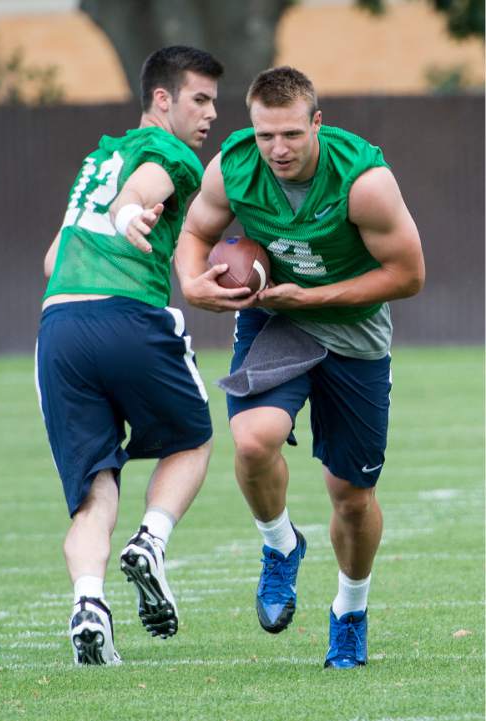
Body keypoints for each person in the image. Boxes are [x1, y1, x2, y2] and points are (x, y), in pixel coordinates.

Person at [173, 66, 425, 668]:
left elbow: (409, 277)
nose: (278, 149)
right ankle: (279, 547)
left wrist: (312, 297)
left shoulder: (364, 182)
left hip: (355, 334)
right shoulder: (233, 168)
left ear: (317, 123)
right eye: (265, 136)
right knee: (252, 442)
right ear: (251, 130)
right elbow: (194, 231)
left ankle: (350, 609)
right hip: (275, 322)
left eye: (290, 134)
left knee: (351, 496)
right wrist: (192, 282)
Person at [35, 46, 241, 666]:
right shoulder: (172, 153)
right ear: (162, 99)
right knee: (194, 440)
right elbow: (140, 189)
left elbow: (52, 260)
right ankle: (150, 542)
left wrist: (118, 216)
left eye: (213, 101)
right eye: (199, 99)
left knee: (94, 485)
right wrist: (131, 213)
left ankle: (89, 603)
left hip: (59, 325)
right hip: (125, 316)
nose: (209, 115)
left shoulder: (98, 156)